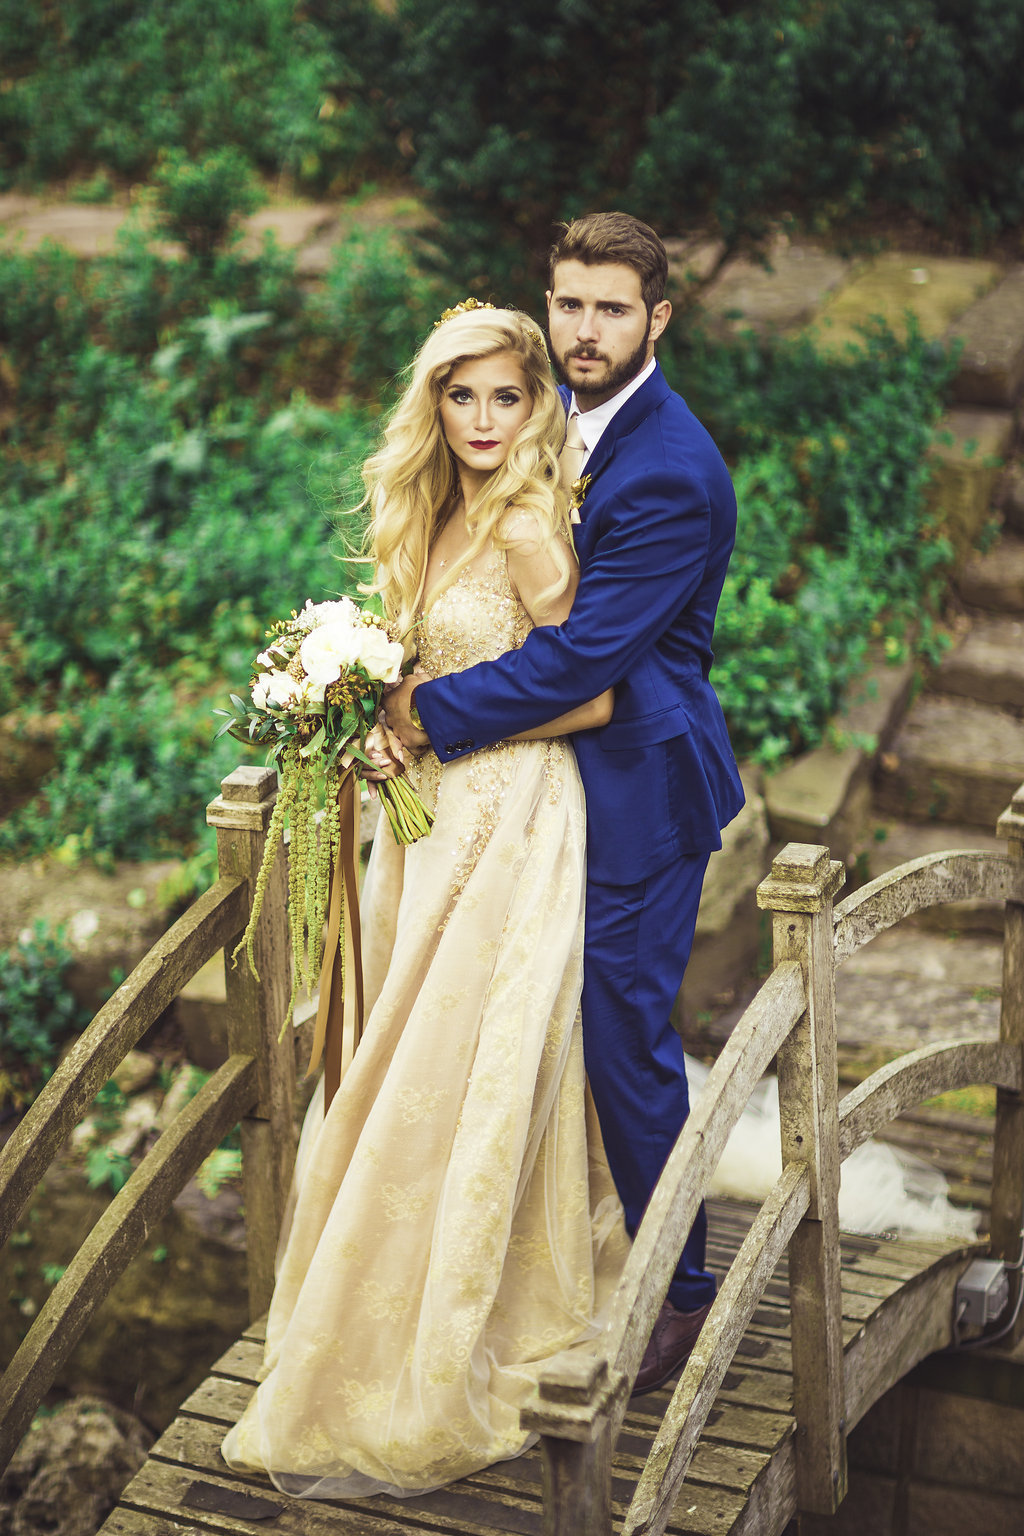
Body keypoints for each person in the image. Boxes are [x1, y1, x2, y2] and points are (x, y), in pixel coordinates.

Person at [220, 303, 632, 1498]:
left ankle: (452, 1323)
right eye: (464, 398)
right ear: (434, 405)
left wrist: (430, 724)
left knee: (453, 1057)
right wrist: (372, 723)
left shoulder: (531, 529)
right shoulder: (434, 510)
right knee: (398, 1048)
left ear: (535, 404)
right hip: (425, 824)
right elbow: (424, 668)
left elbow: (592, 698)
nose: (486, 420)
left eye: (509, 397)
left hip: (510, 818)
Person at [385, 212, 746, 1395]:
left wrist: (424, 713)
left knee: (625, 1037)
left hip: (638, 779)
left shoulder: (672, 471)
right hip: (538, 789)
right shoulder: (556, 424)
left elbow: (585, 658)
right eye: (569, 303)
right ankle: (542, 1257)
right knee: (522, 1027)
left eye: (610, 308)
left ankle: (681, 1292)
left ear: (658, 318)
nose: (583, 330)